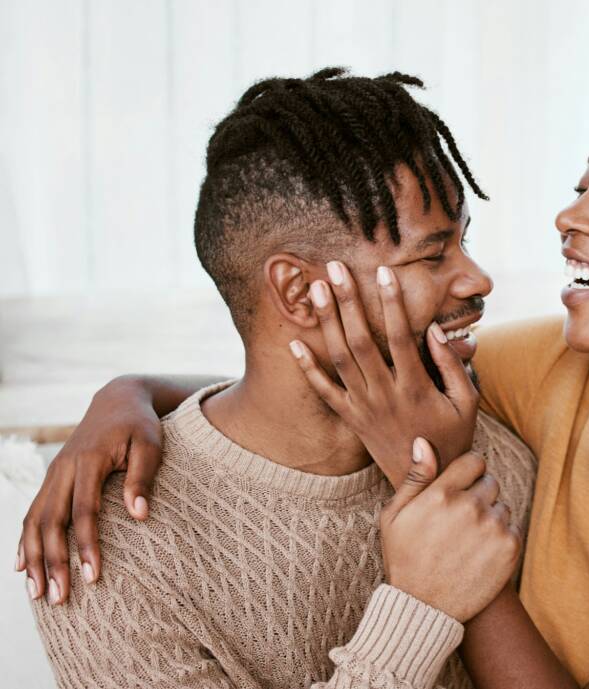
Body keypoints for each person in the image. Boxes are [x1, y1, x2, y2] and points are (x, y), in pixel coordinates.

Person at [21, 36, 589, 689]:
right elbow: (287, 377)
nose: (564, 218)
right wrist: (125, 395)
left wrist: (437, 524)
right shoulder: (546, 376)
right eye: (435, 254)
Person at [23, 66, 536, 689]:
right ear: (299, 291)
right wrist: (416, 613)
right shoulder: (110, 548)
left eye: (463, 242)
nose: (477, 280)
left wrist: (129, 389)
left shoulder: (492, 458)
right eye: (432, 254)